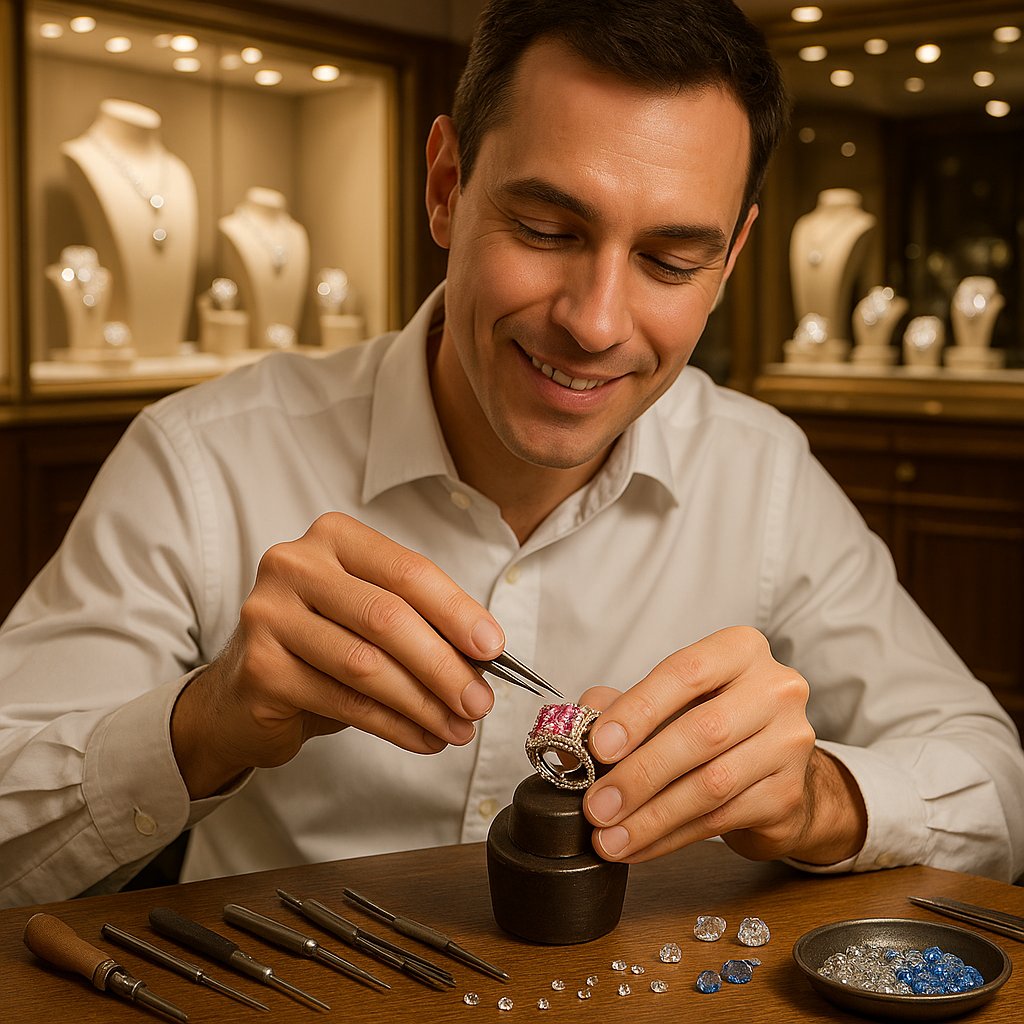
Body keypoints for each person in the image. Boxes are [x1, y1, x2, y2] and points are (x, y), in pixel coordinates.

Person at [2, 0, 1022, 908]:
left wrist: (820, 798)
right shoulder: (200, 459)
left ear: (730, 262)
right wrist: (207, 722)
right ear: (446, 185)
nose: (595, 322)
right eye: (544, 227)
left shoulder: (760, 473)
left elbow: (995, 784)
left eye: (671, 259)